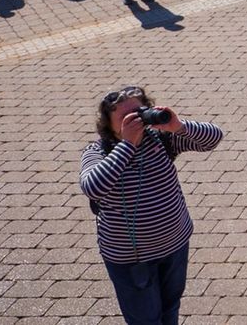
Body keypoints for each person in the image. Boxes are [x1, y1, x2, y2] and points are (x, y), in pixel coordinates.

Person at [81, 85, 223, 325]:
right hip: (131, 259)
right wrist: (127, 146)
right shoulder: (99, 151)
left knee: (170, 310)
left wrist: (178, 126)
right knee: (146, 320)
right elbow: (92, 186)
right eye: (128, 118)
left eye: (140, 113)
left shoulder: (160, 140)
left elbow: (213, 138)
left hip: (175, 246)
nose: (137, 121)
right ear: (109, 124)